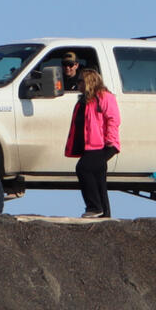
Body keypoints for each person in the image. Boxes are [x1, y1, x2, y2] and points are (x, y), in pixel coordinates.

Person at [63, 67, 121, 218]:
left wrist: (110, 141)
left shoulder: (104, 97)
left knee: (83, 168)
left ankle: (94, 207)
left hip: (103, 145)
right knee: (98, 176)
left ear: (89, 81)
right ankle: (104, 213)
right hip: (90, 146)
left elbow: (113, 119)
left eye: (80, 81)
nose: (78, 84)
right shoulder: (84, 101)